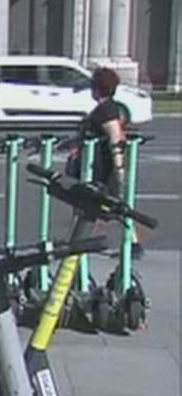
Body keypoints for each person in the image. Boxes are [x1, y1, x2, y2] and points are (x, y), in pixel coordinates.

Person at [75, 67, 142, 258]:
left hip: (102, 167)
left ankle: (79, 244)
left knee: (91, 204)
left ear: (97, 88)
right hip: (104, 165)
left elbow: (115, 137)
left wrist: (119, 168)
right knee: (113, 205)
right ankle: (133, 243)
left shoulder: (105, 111)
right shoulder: (110, 107)